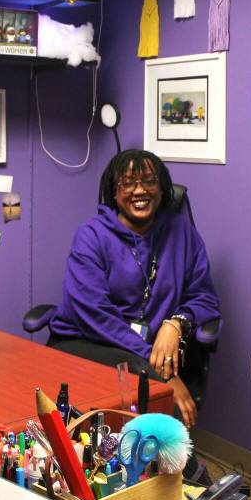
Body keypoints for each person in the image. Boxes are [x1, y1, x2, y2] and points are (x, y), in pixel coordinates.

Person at [48, 149, 220, 427]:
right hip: (88, 342)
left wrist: (176, 324)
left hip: (148, 353)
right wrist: (159, 369)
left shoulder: (182, 232)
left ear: (162, 189)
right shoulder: (91, 236)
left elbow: (204, 298)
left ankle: (162, 457)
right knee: (160, 392)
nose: (139, 190)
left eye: (149, 181)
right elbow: (95, 315)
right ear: (114, 192)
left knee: (157, 398)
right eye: (127, 183)